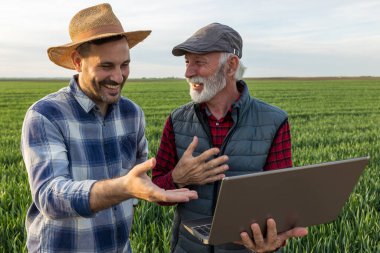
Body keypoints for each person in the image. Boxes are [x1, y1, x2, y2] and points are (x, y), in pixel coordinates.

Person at [21, 3, 197, 253]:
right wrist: (123, 188)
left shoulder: (132, 113)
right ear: (77, 62)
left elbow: (139, 175)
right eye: (106, 66)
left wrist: (174, 177)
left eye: (124, 64)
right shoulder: (46, 114)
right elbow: (50, 196)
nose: (118, 76)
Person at [152, 23, 308, 253]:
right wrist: (177, 178)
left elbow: (279, 201)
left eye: (199, 62)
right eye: (187, 62)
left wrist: (273, 243)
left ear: (231, 66)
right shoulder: (177, 120)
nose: (187, 73)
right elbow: (156, 190)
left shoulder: (274, 121)